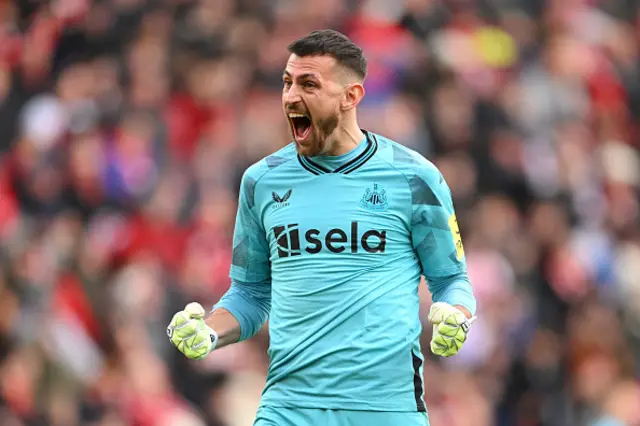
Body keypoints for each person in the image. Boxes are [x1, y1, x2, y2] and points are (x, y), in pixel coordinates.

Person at [166, 29, 477, 426]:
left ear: (351, 97)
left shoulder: (415, 178)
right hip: (289, 409)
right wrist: (209, 332)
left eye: (309, 84)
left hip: (385, 408)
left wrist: (457, 313)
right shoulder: (261, 182)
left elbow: (452, 278)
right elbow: (250, 293)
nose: (291, 96)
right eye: (287, 82)